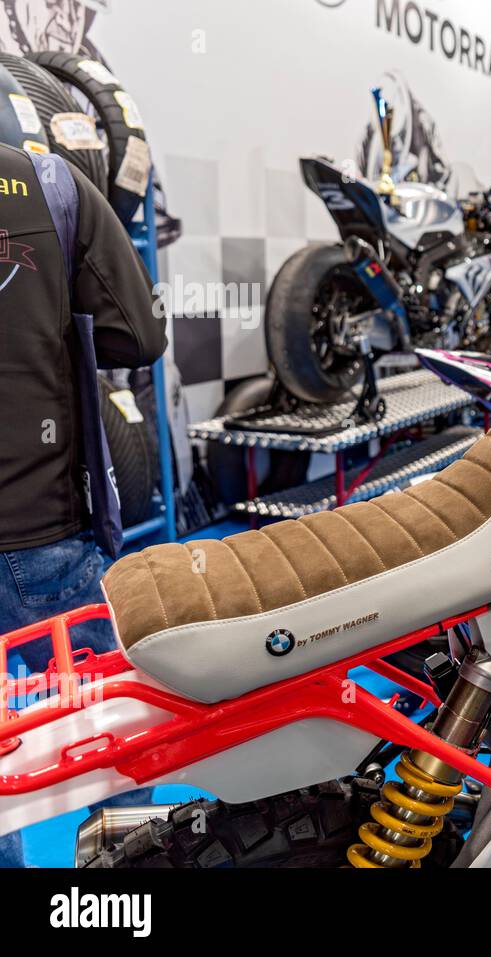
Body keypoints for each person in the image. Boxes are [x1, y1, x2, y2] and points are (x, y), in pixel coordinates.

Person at [0, 143, 164, 866]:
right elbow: (138, 333)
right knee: (109, 739)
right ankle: (111, 901)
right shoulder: (47, 181)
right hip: (43, 537)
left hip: (47, 537)